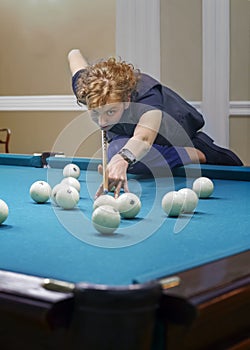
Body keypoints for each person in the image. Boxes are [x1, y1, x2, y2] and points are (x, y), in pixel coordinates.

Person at [68, 49, 243, 198]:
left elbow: (143, 139)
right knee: (118, 149)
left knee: (121, 152)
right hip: (136, 143)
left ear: (127, 100)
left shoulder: (148, 96)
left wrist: (121, 160)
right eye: (95, 113)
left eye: (111, 112)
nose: (102, 122)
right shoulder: (89, 89)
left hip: (180, 140)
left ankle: (194, 154)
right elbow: (73, 54)